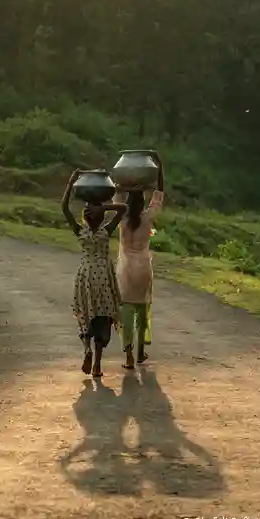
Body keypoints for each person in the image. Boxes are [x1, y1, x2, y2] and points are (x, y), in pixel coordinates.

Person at [62, 169, 127, 378]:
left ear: (85, 217)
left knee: (85, 314)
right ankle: (97, 365)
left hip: (85, 276)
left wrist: (71, 182)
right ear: (101, 217)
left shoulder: (80, 232)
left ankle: (86, 349)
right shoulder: (105, 231)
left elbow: (64, 208)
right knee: (103, 318)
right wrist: (104, 207)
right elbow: (123, 208)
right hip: (104, 276)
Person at [113, 151, 164, 368]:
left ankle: (128, 356)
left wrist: (125, 184)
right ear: (143, 202)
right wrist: (158, 165)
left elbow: (115, 191)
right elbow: (159, 193)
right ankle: (141, 352)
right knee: (142, 311)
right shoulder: (147, 217)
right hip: (143, 268)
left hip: (125, 269)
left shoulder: (121, 217)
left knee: (126, 312)